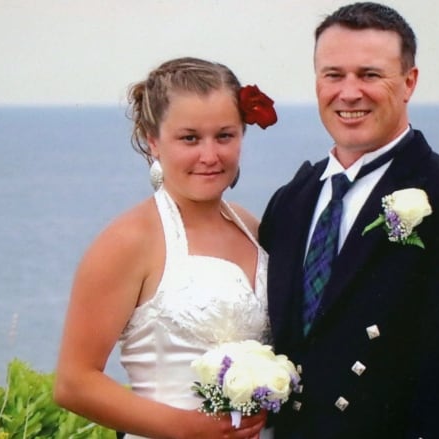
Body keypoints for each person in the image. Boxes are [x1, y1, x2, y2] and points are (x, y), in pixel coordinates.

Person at [259, 3, 439, 438]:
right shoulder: (290, 202)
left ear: (409, 83)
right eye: (333, 74)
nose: (349, 92)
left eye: (370, 74)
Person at [54, 57, 278, 439]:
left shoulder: (253, 228)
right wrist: (190, 429)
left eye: (224, 136)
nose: (210, 156)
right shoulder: (129, 240)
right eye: (189, 138)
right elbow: (74, 383)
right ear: (153, 140)